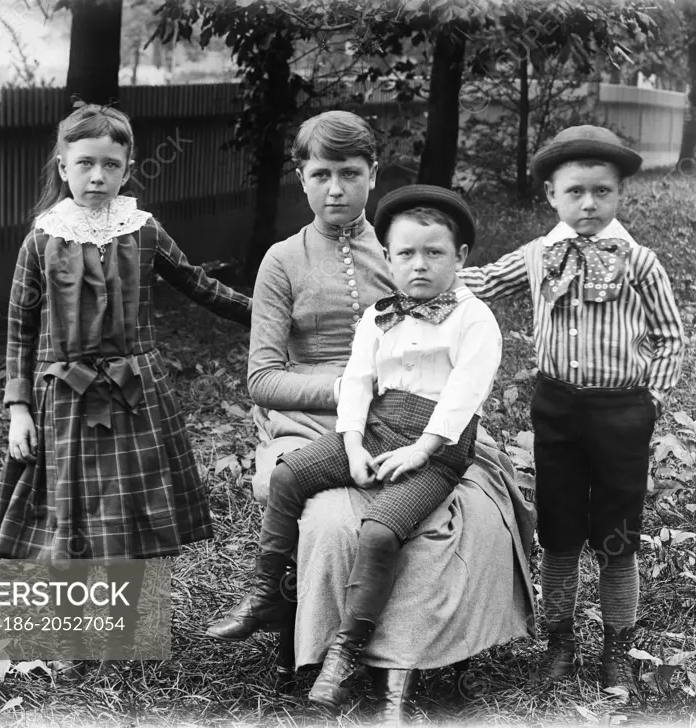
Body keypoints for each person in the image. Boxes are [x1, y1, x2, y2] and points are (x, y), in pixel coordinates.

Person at [206, 110, 535, 721]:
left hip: (427, 419)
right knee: (331, 525)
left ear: (373, 174)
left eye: (351, 173)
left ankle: (429, 653)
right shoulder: (282, 260)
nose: (336, 189)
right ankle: (289, 619)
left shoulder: (402, 243)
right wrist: (352, 395)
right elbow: (262, 377)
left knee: (471, 517)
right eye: (321, 173)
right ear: (301, 177)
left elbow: (461, 316)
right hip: (318, 420)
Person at [0, 103, 252, 681]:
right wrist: (18, 408)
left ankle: (129, 626)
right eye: (85, 164)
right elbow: (19, 328)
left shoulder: (143, 230)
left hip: (138, 392)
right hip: (68, 398)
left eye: (111, 164)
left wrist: (268, 315)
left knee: (130, 507)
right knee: (72, 512)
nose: (97, 177)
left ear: (128, 168)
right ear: (63, 166)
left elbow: (199, 284)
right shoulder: (42, 241)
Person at [460, 125, 685, 700]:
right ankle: (560, 642)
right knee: (559, 531)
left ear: (619, 195)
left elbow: (670, 337)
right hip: (557, 409)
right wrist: (422, 266)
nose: (589, 203)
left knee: (617, 536)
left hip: (621, 415)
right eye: (576, 191)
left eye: (603, 191)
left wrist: (649, 404)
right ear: (551, 195)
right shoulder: (538, 256)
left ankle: (616, 648)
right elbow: (482, 281)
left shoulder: (639, 261)